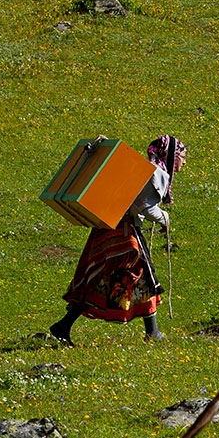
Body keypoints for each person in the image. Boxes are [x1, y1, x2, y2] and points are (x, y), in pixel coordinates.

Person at [49, 135, 187, 346]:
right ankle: (153, 332)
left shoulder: (143, 168)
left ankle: (64, 325)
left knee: (95, 277)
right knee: (144, 277)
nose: (184, 162)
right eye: (182, 157)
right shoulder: (156, 174)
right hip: (124, 232)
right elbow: (144, 207)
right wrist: (164, 219)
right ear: (171, 156)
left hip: (108, 228)